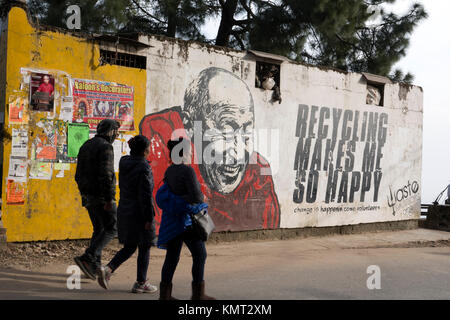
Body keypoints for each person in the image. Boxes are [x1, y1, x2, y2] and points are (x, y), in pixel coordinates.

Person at [140, 67, 280, 233]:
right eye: (227, 131)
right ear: (190, 125)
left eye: (247, 132)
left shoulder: (256, 173)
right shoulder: (163, 145)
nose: (239, 153)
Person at [97, 135, 158, 293]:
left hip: (125, 209)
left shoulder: (124, 162)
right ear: (145, 151)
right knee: (144, 246)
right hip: (139, 213)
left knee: (130, 246)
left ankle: (108, 270)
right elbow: (145, 195)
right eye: (148, 148)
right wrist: (149, 218)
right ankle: (141, 283)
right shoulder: (144, 167)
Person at [157, 138, 215, 300]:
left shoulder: (170, 170)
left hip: (173, 221)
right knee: (200, 255)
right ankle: (198, 294)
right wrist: (201, 196)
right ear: (183, 153)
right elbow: (196, 197)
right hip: (188, 221)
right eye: (189, 150)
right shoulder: (187, 171)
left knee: (172, 257)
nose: (191, 153)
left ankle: (165, 296)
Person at [74, 119, 120, 280]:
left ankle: (92, 267)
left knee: (99, 229)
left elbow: (77, 175)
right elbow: (106, 175)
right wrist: (109, 199)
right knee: (112, 228)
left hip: (88, 196)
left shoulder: (86, 145)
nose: (117, 135)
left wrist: (84, 194)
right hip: (101, 197)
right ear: (111, 132)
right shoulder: (106, 147)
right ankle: (89, 257)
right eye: (116, 131)